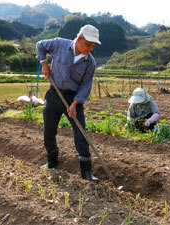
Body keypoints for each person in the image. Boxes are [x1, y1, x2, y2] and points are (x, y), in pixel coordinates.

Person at [36, 24, 101, 183]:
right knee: (48, 131)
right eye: (88, 44)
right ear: (79, 39)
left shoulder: (89, 63)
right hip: (54, 93)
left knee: (81, 134)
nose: (89, 49)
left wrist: (75, 103)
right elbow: (40, 46)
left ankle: (86, 172)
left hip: (73, 98)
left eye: (93, 46)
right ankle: (52, 160)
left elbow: (86, 86)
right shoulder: (59, 44)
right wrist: (44, 63)